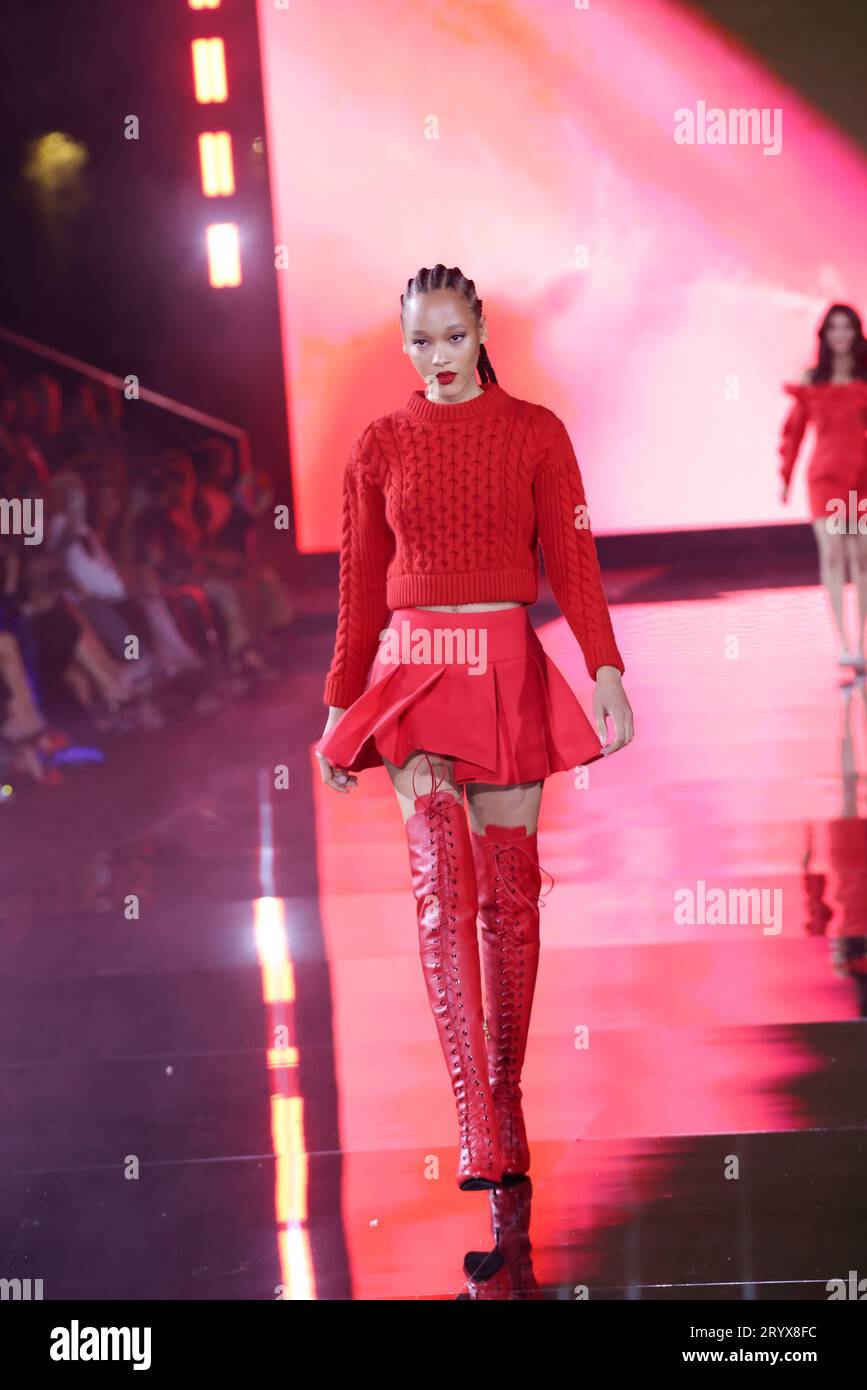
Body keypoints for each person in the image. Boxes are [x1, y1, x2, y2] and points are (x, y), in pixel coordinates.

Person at [315, 263, 634, 1192]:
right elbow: (358, 585)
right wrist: (341, 704)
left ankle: (505, 1094)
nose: (437, 356)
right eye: (420, 340)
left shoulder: (535, 432)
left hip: (502, 665)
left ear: (481, 328)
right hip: (413, 675)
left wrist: (604, 668)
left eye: (452, 336)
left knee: (508, 899)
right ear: (403, 339)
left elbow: (573, 560)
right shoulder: (378, 444)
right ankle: (473, 1122)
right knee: (437, 893)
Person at [778, 303, 867, 671]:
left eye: (847, 327)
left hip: (862, 478)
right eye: (834, 328)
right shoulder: (812, 379)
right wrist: (785, 476)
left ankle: (861, 642)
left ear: (856, 333)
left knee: (861, 558)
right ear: (825, 335)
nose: (841, 334)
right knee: (832, 554)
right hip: (825, 479)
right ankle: (843, 644)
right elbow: (794, 431)